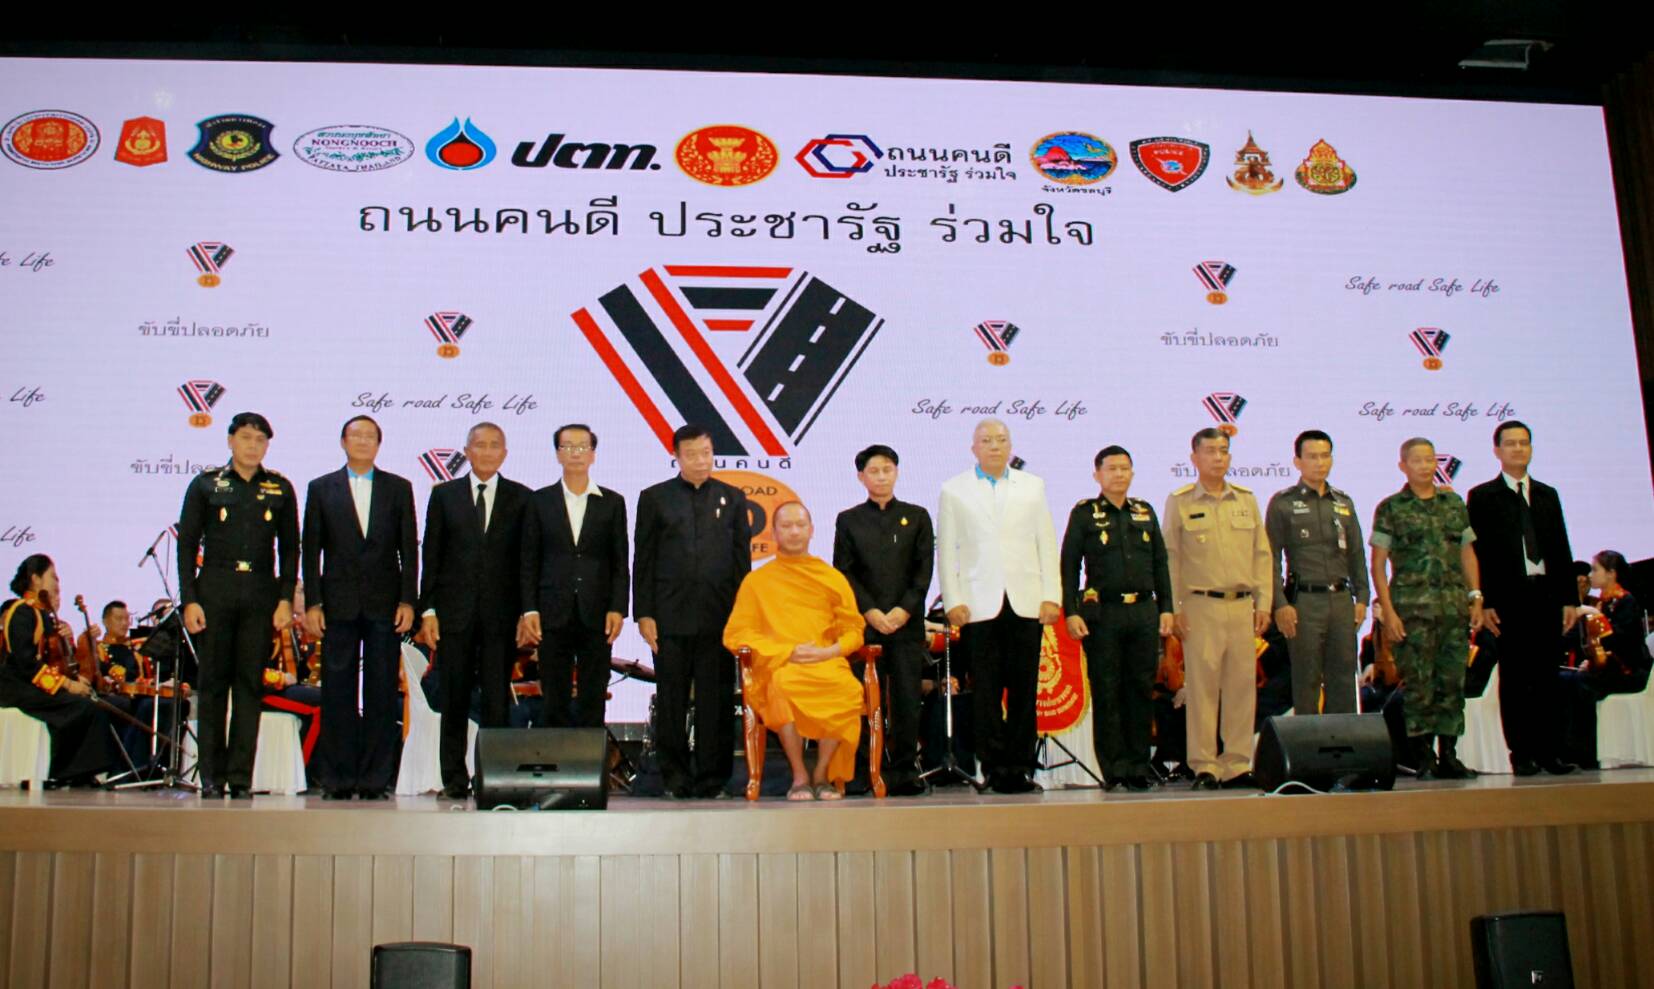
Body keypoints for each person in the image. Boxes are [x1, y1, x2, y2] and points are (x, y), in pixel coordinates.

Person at [177, 412, 299, 798]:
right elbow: (187, 545)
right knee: (212, 685)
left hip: (260, 592)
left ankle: (241, 777)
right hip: (215, 588)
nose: (252, 446)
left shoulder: (280, 488)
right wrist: (189, 600)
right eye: (246, 437)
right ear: (231, 440)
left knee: (249, 686)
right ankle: (212, 777)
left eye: (260, 440)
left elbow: (290, 549)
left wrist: (284, 599)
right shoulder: (206, 484)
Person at [937, 418, 1061, 794]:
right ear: (973, 448)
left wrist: (1052, 595)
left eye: (1001, 440)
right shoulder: (954, 489)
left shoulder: (1033, 486)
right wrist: (953, 599)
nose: (994, 446)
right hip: (978, 604)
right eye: (987, 440)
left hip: (1026, 602)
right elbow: (948, 550)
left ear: (1011, 446)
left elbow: (1046, 542)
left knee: (1024, 690)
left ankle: (1021, 766)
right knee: (986, 691)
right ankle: (992, 766)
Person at [301, 415, 418, 800]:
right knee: (338, 691)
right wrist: (313, 603)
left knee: (382, 691)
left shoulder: (399, 488)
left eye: (370, 436)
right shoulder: (321, 488)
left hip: (385, 604)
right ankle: (337, 778)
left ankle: (375, 779)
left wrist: (408, 600)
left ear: (379, 444)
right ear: (343, 442)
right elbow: (310, 551)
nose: (363, 441)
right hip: (338, 604)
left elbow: (408, 550)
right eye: (356, 435)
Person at [634, 424, 752, 799]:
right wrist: (644, 613)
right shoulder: (654, 498)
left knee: (716, 701)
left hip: (720, 617)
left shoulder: (733, 498)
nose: (701, 461)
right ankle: (674, 778)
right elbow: (644, 559)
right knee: (671, 699)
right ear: (677, 457)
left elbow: (742, 564)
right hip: (669, 616)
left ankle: (713, 780)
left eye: (706, 453)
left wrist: (743, 616)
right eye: (691, 455)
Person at [417, 422, 530, 800]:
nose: (486, 451)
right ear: (466, 451)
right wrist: (428, 610)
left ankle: (493, 778)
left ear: (504, 453)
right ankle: (453, 779)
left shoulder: (521, 498)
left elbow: (526, 562)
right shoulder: (444, 495)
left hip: (501, 616)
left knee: (497, 701)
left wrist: (526, 612)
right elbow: (431, 555)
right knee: (455, 698)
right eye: (479, 445)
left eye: (494, 445)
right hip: (454, 614)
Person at [724, 502, 867, 800]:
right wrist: (787, 651)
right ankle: (800, 775)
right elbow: (736, 634)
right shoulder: (757, 581)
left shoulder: (831, 577)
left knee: (847, 689)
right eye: (786, 526)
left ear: (811, 531)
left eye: (800, 525)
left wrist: (830, 652)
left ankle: (822, 774)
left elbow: (854, 629)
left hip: (825, 661)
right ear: (774, 533)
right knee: (782, 687)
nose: (794, 532)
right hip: (780, 664)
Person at [1465, 421, 1579, 776]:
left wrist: (1569, 599)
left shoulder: (1547, 494)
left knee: (1547, 676)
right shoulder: (1483, 496)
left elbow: (1561, 547)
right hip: (1508, 601)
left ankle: (1550, 752)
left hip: (1546, 595)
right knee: (1515, 678)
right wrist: (1485, 602)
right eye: (1511, 443)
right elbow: (1479, 553)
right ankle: (1522, 754)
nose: (1518, 449)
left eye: (1524, 443)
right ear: (1497, 450)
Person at [1163, 428, 1273, 790]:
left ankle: (1237, 764)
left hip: (1241, 607)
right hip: (1200, 607)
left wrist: (1264, 602)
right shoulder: (1180, 501)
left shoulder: (1246, 500)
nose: (1218, 457)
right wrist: (1174, 608)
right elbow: (1171, 558)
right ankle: (1205, 765)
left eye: (1223, 451)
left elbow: (1262, 555)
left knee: (1242, 690)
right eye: (1210, 451)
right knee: (1203, 690)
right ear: (1194, 458)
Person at [1059, 445, 1173, 791]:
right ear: (1097, 474)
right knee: (1108, 690)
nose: (1119, 474)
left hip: (1143, 611)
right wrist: (1071, 611)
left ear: (1132, 473)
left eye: (1125, 468)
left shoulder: (1144, 511)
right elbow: (1069, 566)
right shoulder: (1084, 513)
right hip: (1103, 614)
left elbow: (1160, 564)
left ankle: (1138, 766)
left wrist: (1167, 607)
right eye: (1111, 469)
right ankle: (1114, 768)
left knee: (1140, 689)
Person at [1370, 436, 1484, 780]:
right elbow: (1378, 565)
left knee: (1451, 683)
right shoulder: (1391, 508)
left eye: (1430, 460)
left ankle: (1449, 755)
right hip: (1412, 613)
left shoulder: (1454, 505)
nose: (1424, 466)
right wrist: (1388, 612)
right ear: (1403, 466)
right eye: (1417, 460)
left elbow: (1467, 553)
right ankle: (1423, 758)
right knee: (1419, 686)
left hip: (1453, 609)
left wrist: (1476, 596)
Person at [832, 444, 935, 797]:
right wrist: (871, 611)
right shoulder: (848, 520)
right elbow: (844, 572)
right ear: (861, 477)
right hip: (865, 625)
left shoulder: (917, 516)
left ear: (897, 473)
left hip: (907, 624)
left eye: (887, 470)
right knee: (861, 700)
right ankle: (862, 771)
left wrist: (904, 610)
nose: (881, 477)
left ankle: (904, 771)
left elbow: (923, 571)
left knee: (906, 700)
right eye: (874, 471)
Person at [518, 423, 629, 729]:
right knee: (554, 695)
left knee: (594, 693)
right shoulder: (539, 501)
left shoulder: (612, 502)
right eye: (568, 447)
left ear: (593, 454)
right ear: (558, 454)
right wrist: (530, 608)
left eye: (582, 447)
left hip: (598, 611)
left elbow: (620, 562)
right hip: (552, 610)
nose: (576, 453)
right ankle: (557, 757)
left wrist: (618, 608)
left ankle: (591, 757)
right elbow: (529, 560)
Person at [1264, 430, 1370, 715]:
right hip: (1304, 602)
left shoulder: (1343, 502)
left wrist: (1362, 598)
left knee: (1343, 677)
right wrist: (1280, 604)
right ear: (1297, 461)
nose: (1319, 463)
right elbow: (1270, 559)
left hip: (1341, 600)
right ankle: (1309, 743)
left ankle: (1343, 740)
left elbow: (1357, 554)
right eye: (1312, 457)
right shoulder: (1283, 503)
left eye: (1325, 456)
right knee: (1306, 678)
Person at [0, 555, 115, 785]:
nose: (57, 584)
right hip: (16, 687)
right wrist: (68, 685)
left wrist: (74, 679)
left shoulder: (40, 613)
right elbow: (26, 664)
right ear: (35, 579)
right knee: (81, 707)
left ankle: (79, 772)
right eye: (53, 577)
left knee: (89, 705)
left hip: (31, 683)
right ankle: (63, 772)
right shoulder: (21, 612)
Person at [1561, 550, 1652, 768]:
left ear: (1611, 573)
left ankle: (1587, 752)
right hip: (1608, 669)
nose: (1591, 575)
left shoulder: (1626, 601)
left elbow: (1621, 641)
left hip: (1629, 670)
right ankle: (1567, 749)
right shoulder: (1602, 603)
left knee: (1582, 683)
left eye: (1595, 570)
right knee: (1564, 679)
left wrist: (1595, 615)